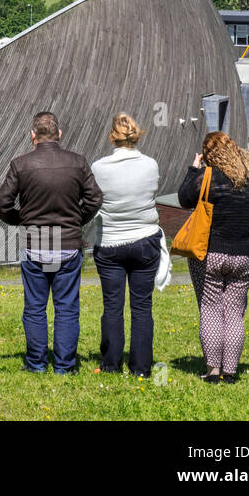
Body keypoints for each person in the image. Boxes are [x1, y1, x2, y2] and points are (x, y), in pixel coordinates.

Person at [0, 111, 103, 374]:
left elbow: (2, 202)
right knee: (66, 307)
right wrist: (78, 220)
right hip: (67, 241)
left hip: (35, 243)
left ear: (33, 136)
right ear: (59, 134)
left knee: (35, 307)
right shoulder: (78, 163)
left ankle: (36, 364)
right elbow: (94, 199)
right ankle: (65, 365)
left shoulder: (20, 165)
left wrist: (22, 219)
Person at [178, 131, 249, 383]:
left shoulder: (207, 177)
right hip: (244, 255)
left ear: (208, 156)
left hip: (210, 253)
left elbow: (184, 199)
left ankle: (213, 371)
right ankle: (230, 372)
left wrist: (193, 169)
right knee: (234, 312)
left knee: (210, 308)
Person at [87, 113, 162, 377]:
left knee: (112, 306)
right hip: (145, 240)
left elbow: (94, 200)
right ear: (136, 135)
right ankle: (141, 368)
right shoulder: (151, 165)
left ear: (112, 137)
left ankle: (110, 364)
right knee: (142, 307)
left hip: (110, 242)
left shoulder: (98, 167)